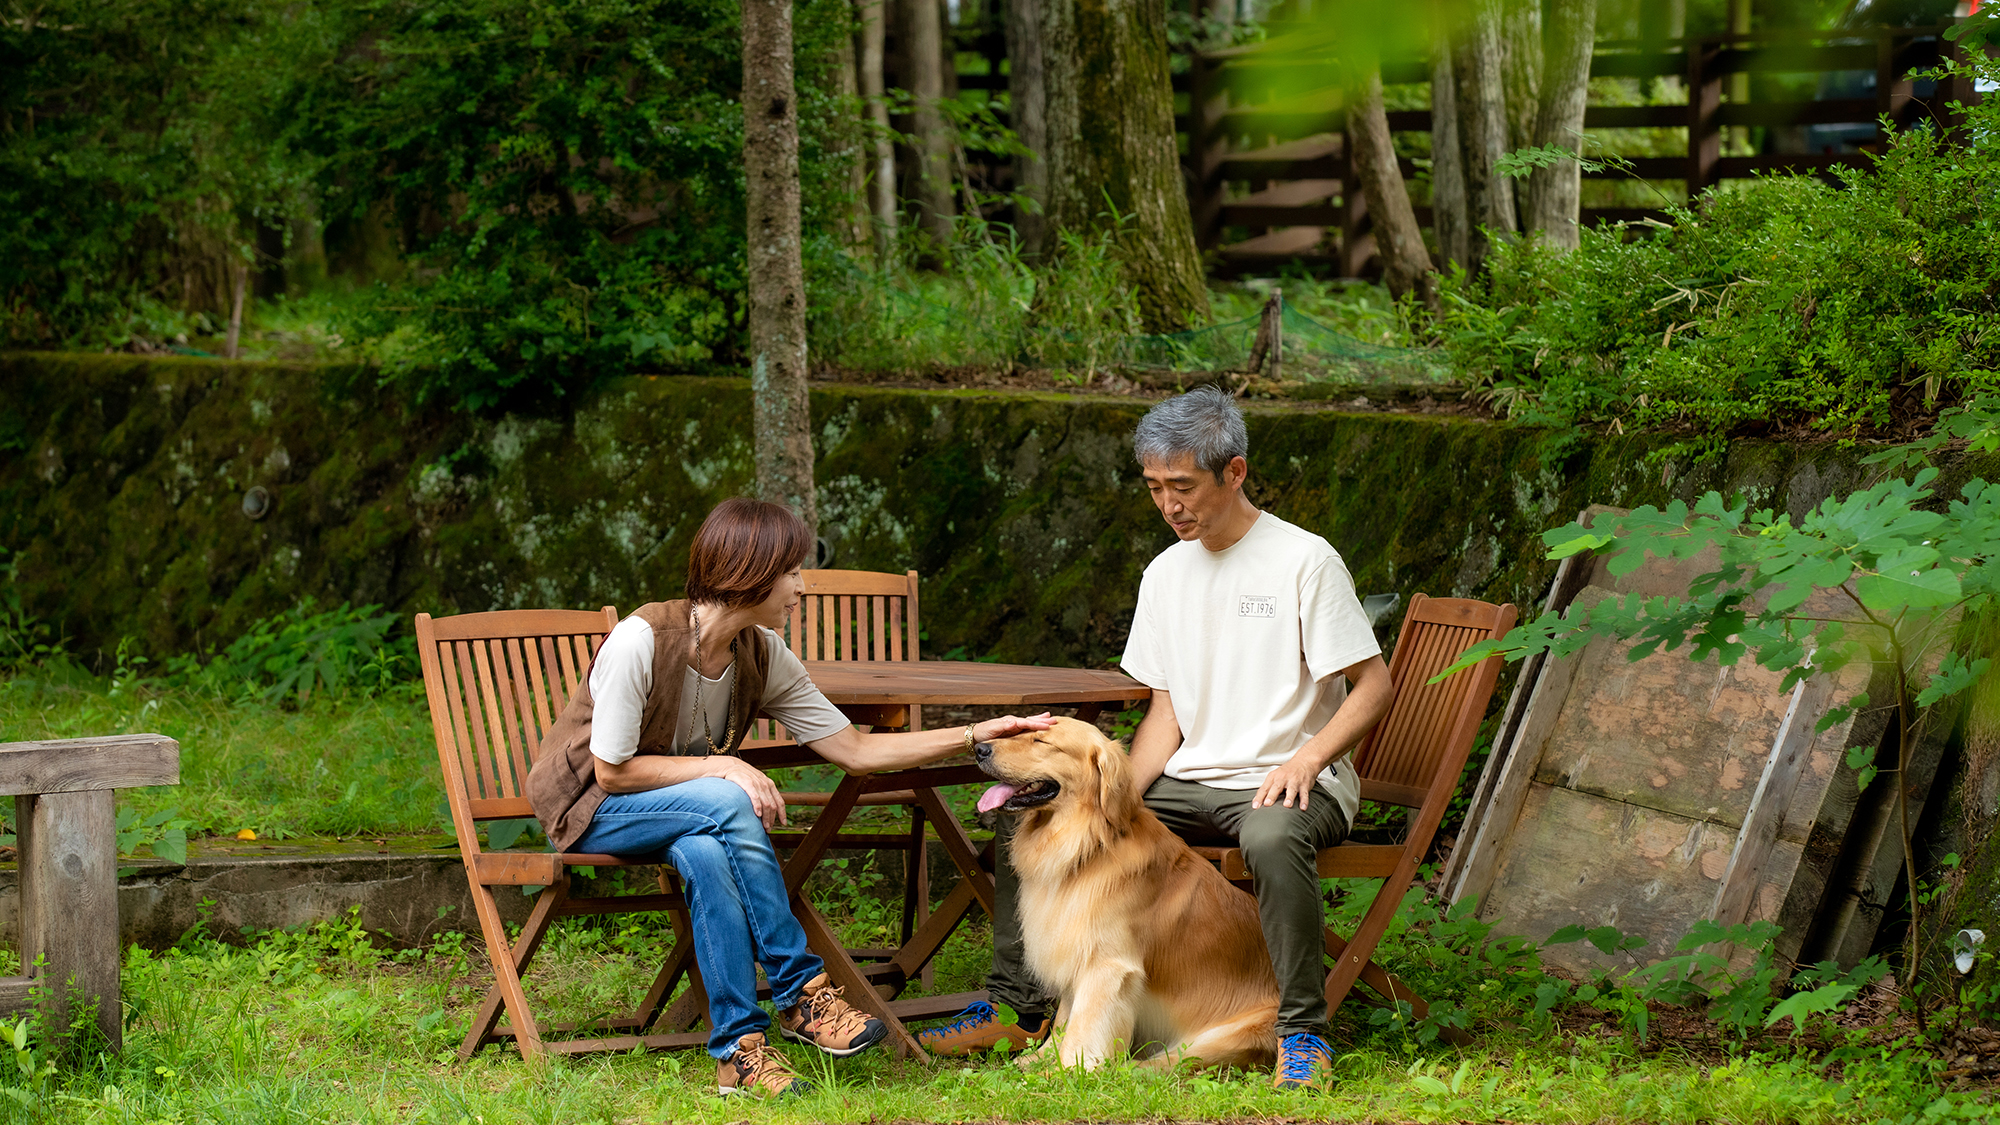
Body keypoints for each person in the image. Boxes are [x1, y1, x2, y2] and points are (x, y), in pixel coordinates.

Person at [919, 387, 1392, 1090]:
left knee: (1269, 836)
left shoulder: (1304, 560)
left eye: (1183, 486)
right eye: (1154, 488)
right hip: (1190, 779)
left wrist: (1309, 755)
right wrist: (1109, 791)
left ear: (1233, 473)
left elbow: (1374, 684)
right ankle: (1017, 1006)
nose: (1169, 504)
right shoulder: (1166, 572)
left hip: (1287, 779)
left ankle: (1302, 1032)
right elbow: (1168, 712)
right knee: (1032, 806)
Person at [526, 497, 1054, 1099]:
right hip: (592, 808)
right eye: (791, 572)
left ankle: (739, 1056)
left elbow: (855, 750)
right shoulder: (640, 640)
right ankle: (804, 993)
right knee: (728, 804)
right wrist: (723, 768)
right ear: (747, 570)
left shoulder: (761, 652)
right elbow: (612, 772)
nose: (801, 588)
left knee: (705, 853)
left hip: (686, 814)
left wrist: (975, 733)